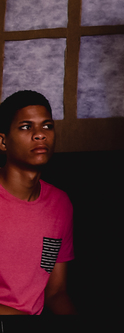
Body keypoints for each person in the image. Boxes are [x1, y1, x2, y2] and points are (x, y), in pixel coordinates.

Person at [0, 90, 76, 316]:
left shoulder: (60, 204)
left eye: (47, 126)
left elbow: (56, 293)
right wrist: (30, 328)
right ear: (3, 141)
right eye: (26, 127)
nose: (40, 134)